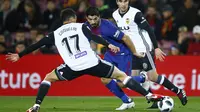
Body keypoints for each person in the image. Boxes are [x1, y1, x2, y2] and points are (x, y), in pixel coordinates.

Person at [6, 8, 163, 112]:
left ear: (63, 20)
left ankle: (36, 105)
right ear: (74, 18)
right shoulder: (81, 26)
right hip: (92, 62)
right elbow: (94, 37)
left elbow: (37, 44)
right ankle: (149, 95)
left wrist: (19, 55)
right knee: (121, 76)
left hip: (73, 66)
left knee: (48, 78)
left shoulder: (55, 33)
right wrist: (109, 45)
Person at [111, 0, 188, 109]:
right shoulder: (115, 15)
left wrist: (156, 48)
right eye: (121, 2)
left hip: (143, 48)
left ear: (128, 1)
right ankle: (155, 98)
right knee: (132, 81)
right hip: (131, 50)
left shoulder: (135, 13)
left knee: (153, 77)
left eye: (125, 1)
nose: (123, 4)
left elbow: (149, 30)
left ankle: (178, 91)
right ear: (117, 2)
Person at [85, 7, 147, 110]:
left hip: (122, 53)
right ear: (86, 18)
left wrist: (134, 52)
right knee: (104, 79)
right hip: (109, 54)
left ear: (99, 17)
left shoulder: (107, 26)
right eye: (90, 19)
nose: (92, 22)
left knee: (122, 83)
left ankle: (142, 78)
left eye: (95, 19)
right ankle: (127, 101)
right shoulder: (86, 27)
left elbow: (125, 38)